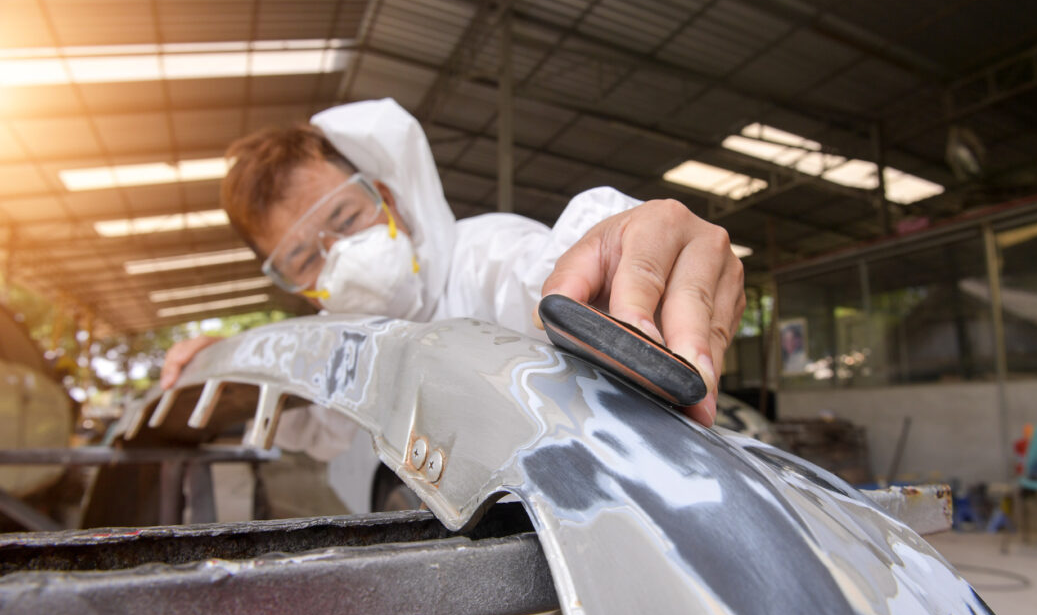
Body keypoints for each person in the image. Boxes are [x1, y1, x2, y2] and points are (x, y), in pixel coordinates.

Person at [162, 98, 745, 427]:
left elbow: (544, 273)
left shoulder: (483, 254)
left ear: (387, 198)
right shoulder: (340, 343)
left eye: (344, 220)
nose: (337, 256)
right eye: (298, 258)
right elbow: (316, 425)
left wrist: (629, 247)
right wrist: (228, 366)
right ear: (288, 283)